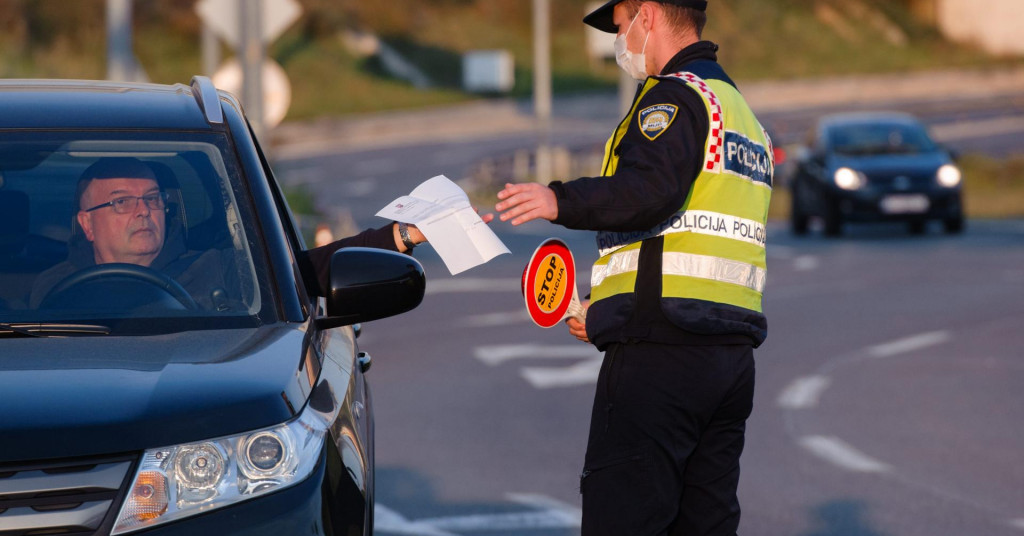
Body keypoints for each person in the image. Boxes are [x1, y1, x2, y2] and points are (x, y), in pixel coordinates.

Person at [495, 1, 773, 534]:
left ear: (647, 14)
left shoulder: (673, 98)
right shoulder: (738, 113)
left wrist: (559, 200)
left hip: (662, 358)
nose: (618, 38)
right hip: (730, 360)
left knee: (624, 518)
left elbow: (649, 193)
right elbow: (690, 234)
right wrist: (605, 313)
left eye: (620, 24)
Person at [29, 157, 430, 309]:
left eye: (152, 198)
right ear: (86, 223)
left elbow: (307, 271)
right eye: (120, 202)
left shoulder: (221, 270)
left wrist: (405, 233)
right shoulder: (48, 293)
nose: (143, 210)